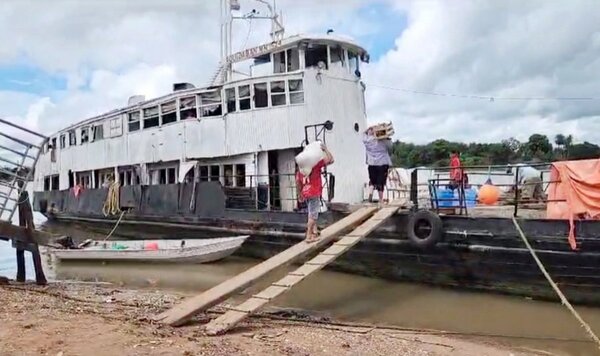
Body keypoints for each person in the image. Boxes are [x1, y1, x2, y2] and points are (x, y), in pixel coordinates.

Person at [296, 144, 334, 243]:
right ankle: (308, 235)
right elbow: (331, 159)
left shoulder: (300, 170)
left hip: (306, 192)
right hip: (314, 192)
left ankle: (314, 233)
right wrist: (325, 149)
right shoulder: (316, 166)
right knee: (313, 215)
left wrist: (300, 194)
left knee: (311, 212)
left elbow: (298, 182)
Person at [363, 127, 392, 206]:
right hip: (382, 163)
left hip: (371, 163)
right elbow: (390, 147)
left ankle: (370, 196)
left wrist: (369, 129)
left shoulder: (367, 141)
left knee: (372, 181)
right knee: (381, 182)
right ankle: (380, 200)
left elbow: (363, 134)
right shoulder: (383, 140)